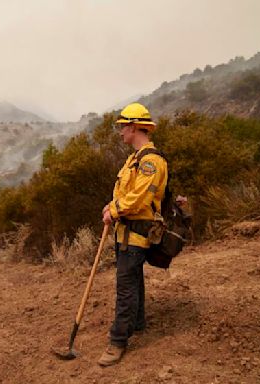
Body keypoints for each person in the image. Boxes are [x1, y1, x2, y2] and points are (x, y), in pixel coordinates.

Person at [98, 103, 168, 367]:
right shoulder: (134, 158)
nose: (120, 132)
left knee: (125, 288)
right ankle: (137, 323)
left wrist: (114, 211)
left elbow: (139, 197)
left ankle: (118, 342)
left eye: (122, 126)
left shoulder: (151, 161)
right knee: (133, 281)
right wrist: (111, 205)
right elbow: (126, 192)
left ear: (135, 127)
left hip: (136, 236)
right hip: (124, 233)